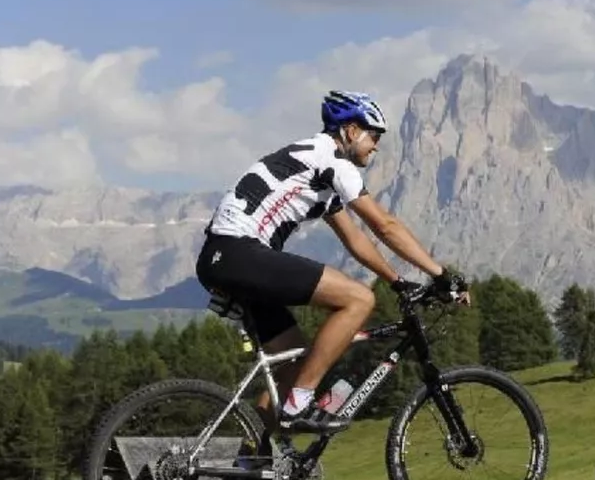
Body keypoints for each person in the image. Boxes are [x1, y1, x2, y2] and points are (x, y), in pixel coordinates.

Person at [196, 90, 464, 433]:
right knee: (359, 299)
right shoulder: (333, 161)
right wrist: (442, 275)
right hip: (238, 252)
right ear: (351, 131)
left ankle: (252, 464)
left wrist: (396, 281)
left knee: (294, 359)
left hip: (224, 258)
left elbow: (356, 240)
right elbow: (385, 226)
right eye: (374, 136)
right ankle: (300, 404)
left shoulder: (314, 167)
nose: (376, 146)